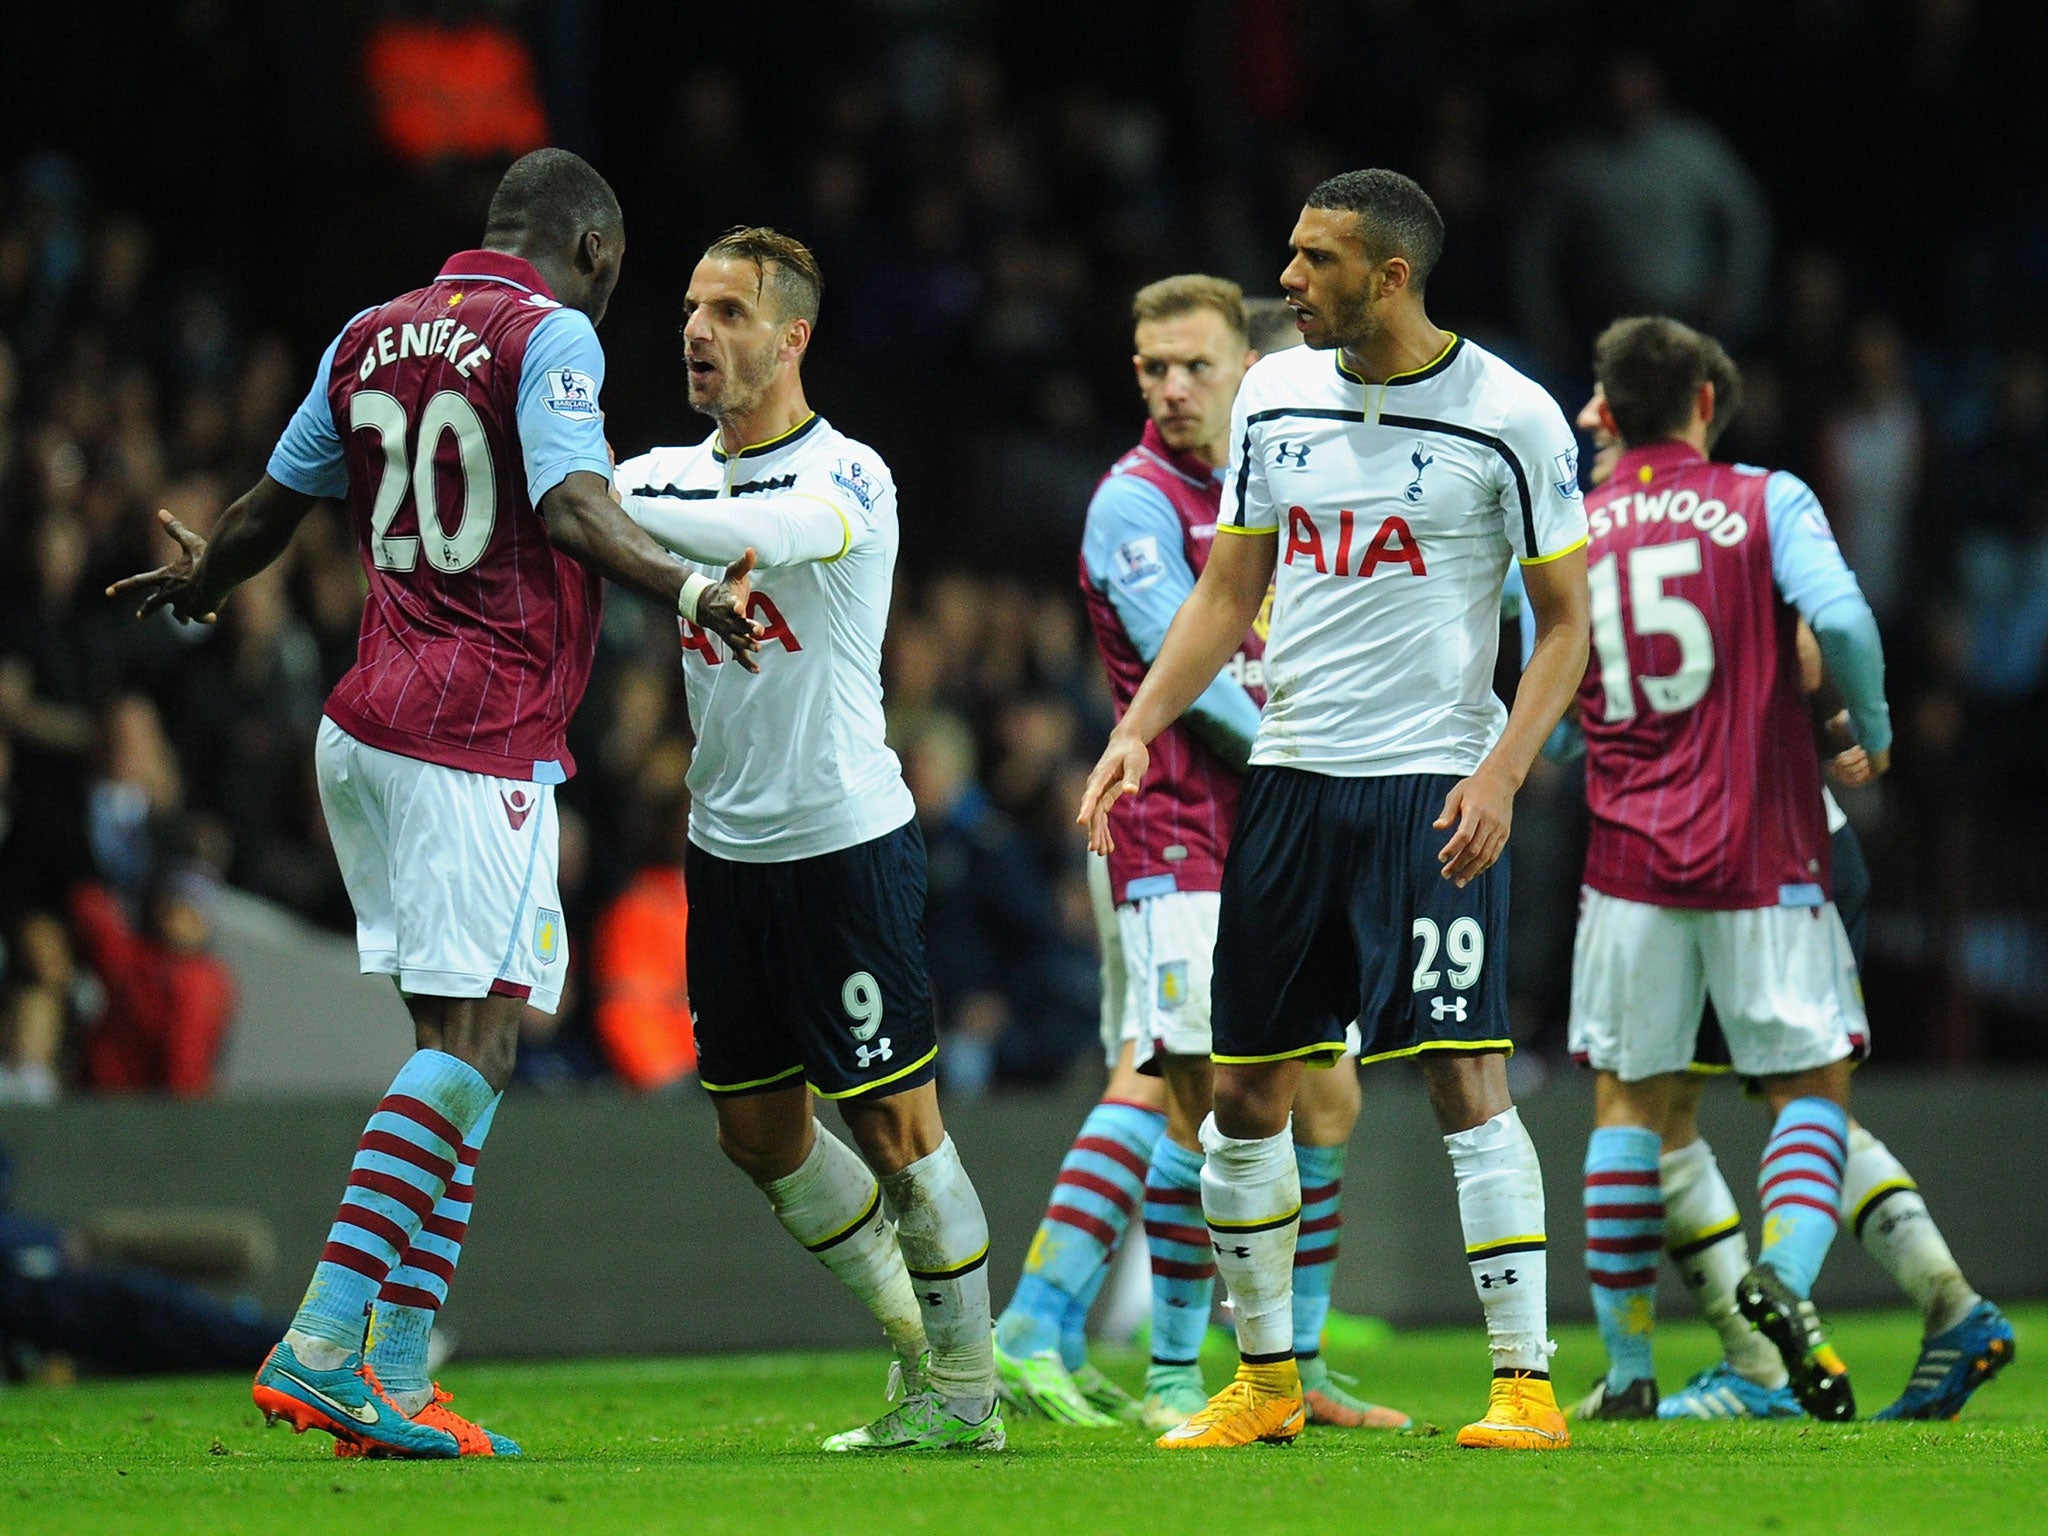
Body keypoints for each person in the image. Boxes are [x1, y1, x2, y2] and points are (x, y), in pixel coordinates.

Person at [107, 148, 760, 1459]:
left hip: (366, 731)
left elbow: (266, 508)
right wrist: (692, 593)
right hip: (475, 734)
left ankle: (397, 1372)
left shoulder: (365, 334)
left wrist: (205, 585)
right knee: (472, 1048)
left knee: (472, 1046)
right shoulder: (550, 333)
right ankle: (324, 1339)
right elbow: (575, 509)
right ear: (591, 251)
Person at [1079, 169, 1592, 1452]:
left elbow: (1567, 628)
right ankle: (1261, 1381)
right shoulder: (1274, 394)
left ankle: (1522, 1389)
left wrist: (1501, 772)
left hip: (1432, 789)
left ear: (1390, 276)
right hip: (1292, 782)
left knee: (1464, 1080)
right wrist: (1136, 729)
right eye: (1291, 254)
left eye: (1313, 261)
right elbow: (1221, 591)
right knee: (1245, 1092)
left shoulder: (1510, 419)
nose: (1289, 280)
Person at [1563, 350, 2015, 1424]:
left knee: (1664, 1104)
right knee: (1782, 1095)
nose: (1582, 412)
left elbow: (1552, 668)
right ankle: (1942, 1307)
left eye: (1596, 394)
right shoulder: (1758, 506)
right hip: (1779, 848)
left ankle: (1736, 1358)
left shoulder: (1584, 527)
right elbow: (1821, 644)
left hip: (1696, 853)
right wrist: (1860, 724)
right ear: (1704, 404)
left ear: (1625, 406)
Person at [991, 278, 1406, 1436]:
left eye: (1194, 369)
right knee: (1198, 1096)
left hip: (1282, 838)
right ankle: (1174, 1367)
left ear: (1242, 370)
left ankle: (1293, 1362)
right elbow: (1210, 684)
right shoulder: (1132, 505)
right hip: (1176, 837)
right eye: (1151, 371)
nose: (1172, 390)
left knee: (1326, 1099)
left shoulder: (1281, 484)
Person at [612, 227, 1002, 1454]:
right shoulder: (667, 475)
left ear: (792, 338)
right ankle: (916, 1340)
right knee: (755, 1134)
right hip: (724, 850)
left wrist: (620, 513)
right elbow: (583, 510)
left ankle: (969, 1393)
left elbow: (770, 535)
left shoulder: (853, 475)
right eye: (689, 307)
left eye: (728, 312)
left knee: (895, 1127)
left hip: (842, 842)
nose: (696, 331)